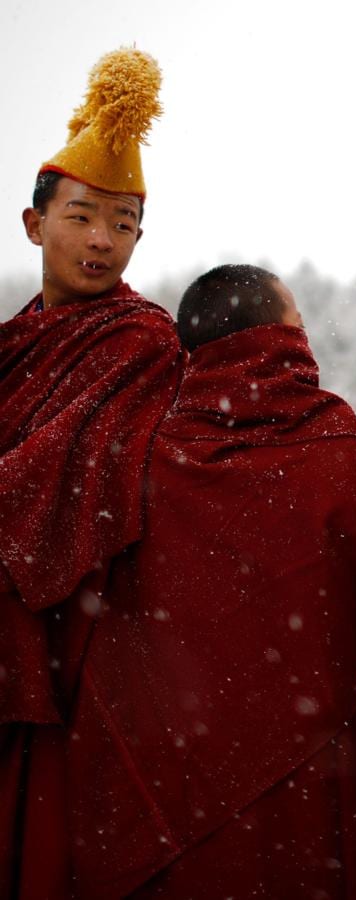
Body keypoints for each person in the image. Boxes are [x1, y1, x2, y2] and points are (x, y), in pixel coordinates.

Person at [57, 264, 356, 898]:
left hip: (167, 775)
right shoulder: (335, 441)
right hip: (313, 782)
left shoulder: (142, 450)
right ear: (274, 339)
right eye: (296, 324)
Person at [0, 47, 183, 899]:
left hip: (68, 626)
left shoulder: (141, 341)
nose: (103, 240)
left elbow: (60, 477)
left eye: (124, 222)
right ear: (35, 225)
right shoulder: (15, 343)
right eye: (82, 216)